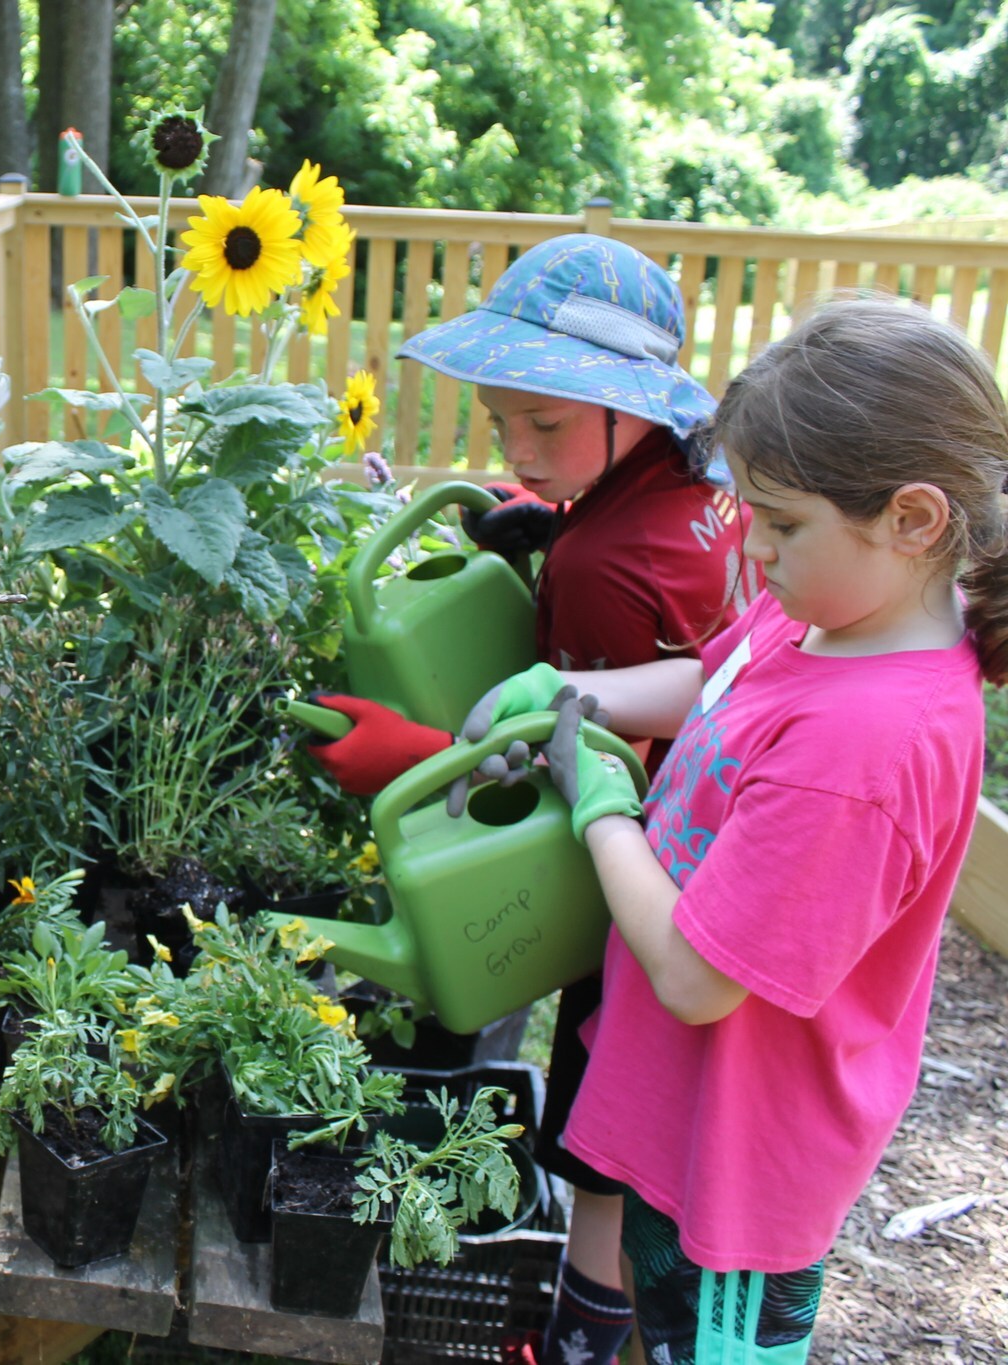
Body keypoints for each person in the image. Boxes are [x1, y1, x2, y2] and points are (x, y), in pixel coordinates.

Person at [474, 297, 1002, 1360]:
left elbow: (696, 976)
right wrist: (578, 696)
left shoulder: (861, 749)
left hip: (739, 1157)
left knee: (694, 1339)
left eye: (782, 522)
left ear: (912, 519)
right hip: (684, 1102)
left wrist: (600, 802)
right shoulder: (822, 609)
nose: (750, 548)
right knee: (639, 1294)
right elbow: (712, 683)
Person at [305, 234, 752, 1365]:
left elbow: (585, 787)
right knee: (636, 1123)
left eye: (544, 428)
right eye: (503, 418)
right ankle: (597, 1325)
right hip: (708, 856)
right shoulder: (697, 483)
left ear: (626, 411)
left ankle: (585, 1338)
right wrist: (544, 515)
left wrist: (415, 752)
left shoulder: (605, 568)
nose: (516, 447)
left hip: (646, 874)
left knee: (601, 1112)